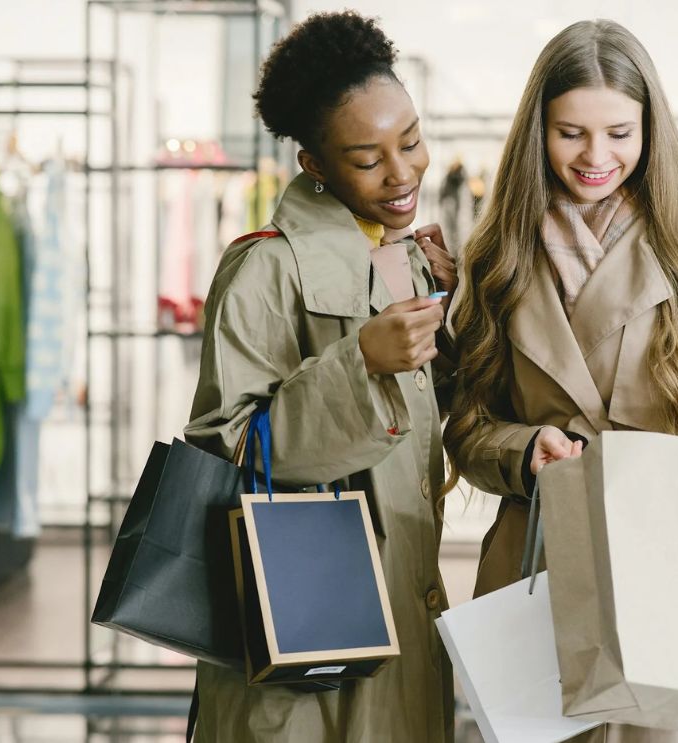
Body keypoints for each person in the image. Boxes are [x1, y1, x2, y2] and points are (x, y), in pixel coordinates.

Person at [444, 19, 678, 743]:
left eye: (617, 132)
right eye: (570, 132)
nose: (594, 156)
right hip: (536, 566)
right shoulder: (497, 254)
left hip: (672, 572)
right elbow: (466, 428)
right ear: (537, 131)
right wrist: (524, 448)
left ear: (650, 128)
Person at [183, 11, 455, 742]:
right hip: (302, 633)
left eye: (412, 141)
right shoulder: (264, 265)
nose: (401, 174)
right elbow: (229, 445)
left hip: (401, 616)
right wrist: (358, 360)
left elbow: (428, 426)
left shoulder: (414, 258)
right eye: (367, 159)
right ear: (316, 166)